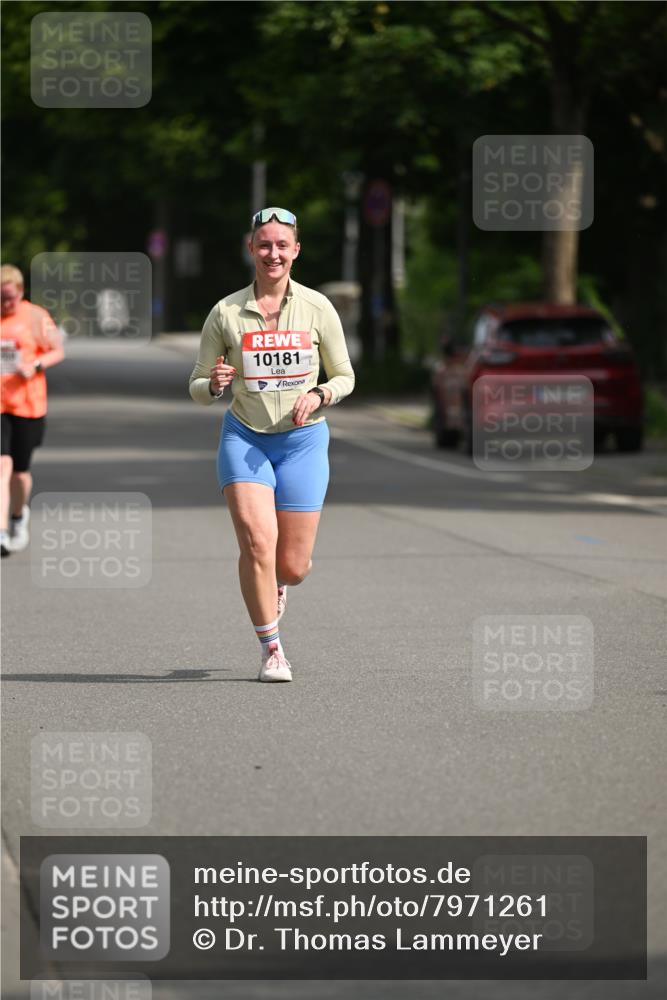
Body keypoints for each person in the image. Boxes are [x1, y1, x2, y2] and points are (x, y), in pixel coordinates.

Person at [189, 207, 355, 682]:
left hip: (303, 441)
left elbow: (344, 375)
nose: (273, 253)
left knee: (294, 565)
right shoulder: (225, 312)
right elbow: (197, 386)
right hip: (245, 438)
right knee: (258, 543)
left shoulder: (318, 308)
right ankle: (272, 649)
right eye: (265, 245)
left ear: (296, 251)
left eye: (282, 245)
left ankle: (280, 583)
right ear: (251, 250)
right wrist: (215, 384)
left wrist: (322, 392)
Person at [1, 264, 65, 557]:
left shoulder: (35, 317)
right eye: (0, 298)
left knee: (20, 473)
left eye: (10, 298)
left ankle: (18, 516)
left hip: (28, 404)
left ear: (20, 293)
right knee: (2, 466)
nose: (5, 304)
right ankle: (1, 530)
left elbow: (57, 350)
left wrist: (35, 365)